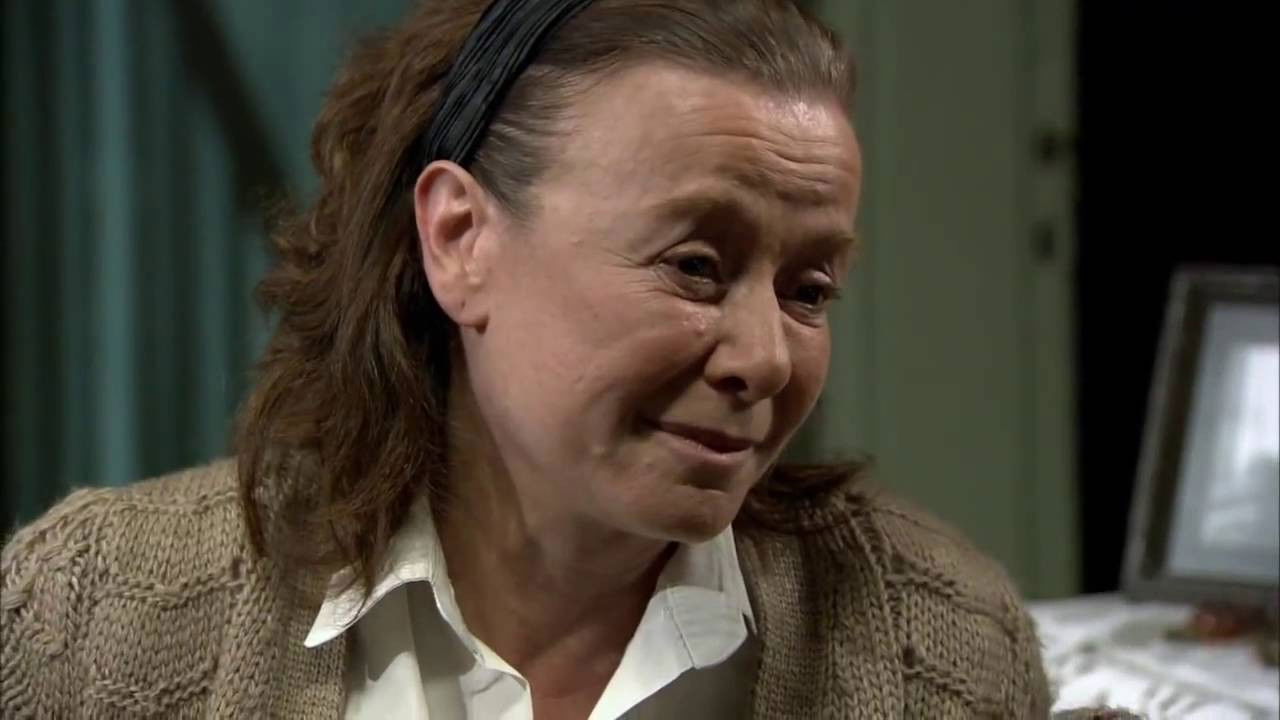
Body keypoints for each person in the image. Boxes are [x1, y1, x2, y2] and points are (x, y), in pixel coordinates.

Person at [1, 0, 1052, 717]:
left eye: (808, 291)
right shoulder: (85, 620)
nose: (765, 359)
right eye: (694, 266)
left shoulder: (935, 647)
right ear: (461, 241)